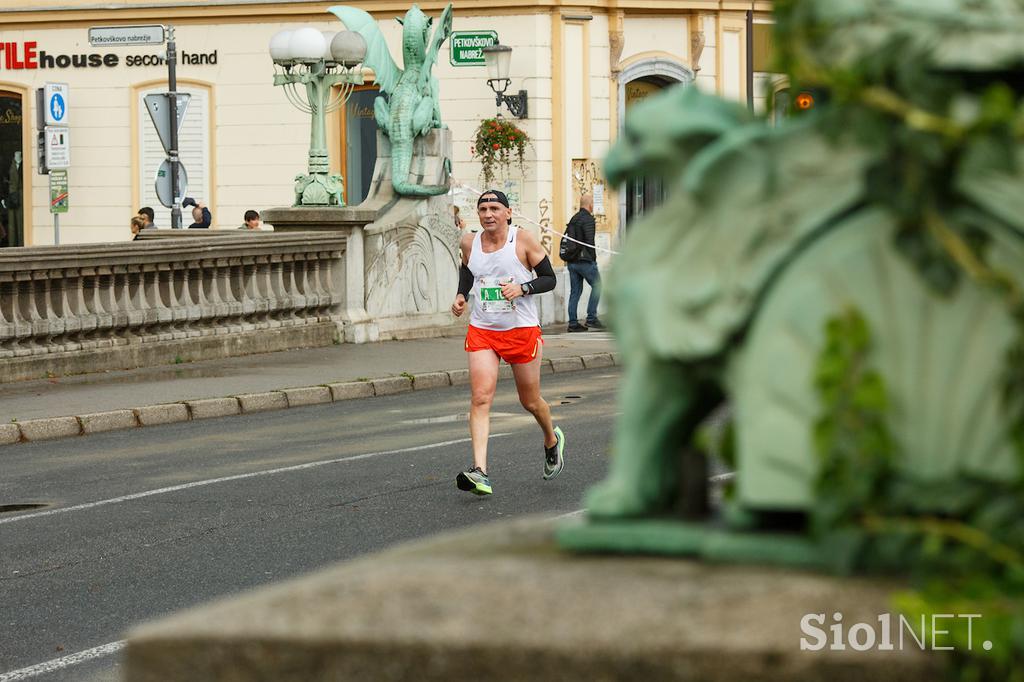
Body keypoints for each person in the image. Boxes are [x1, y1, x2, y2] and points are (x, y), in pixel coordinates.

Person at [450, 189, 565, 496]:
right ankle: (480, 471)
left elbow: (549, 278)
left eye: (494, 208)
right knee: (480, 398)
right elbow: (468, 269)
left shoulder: (522, 240)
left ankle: (551, 439)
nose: (488, 214)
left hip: (521, 330)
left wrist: (523, 288)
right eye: (483, 209)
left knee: (529, 401)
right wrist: (462, 294)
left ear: (508, 212)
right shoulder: (469, 242)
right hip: (483, 330)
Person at [565, 194, 603, 332]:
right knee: (598, 286)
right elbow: (589, 241)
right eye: (592, 203)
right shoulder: (588, 219)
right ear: (590, 204)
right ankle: (591, 318)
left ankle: (573, 323)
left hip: (572, 261)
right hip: (585, 261)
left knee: (575, 291)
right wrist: (593, 259)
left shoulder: (574, 218)